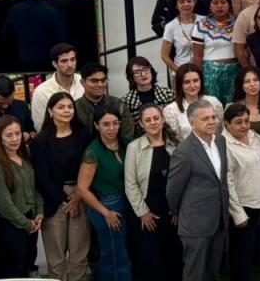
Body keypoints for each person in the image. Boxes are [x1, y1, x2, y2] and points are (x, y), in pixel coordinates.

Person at [166, 99, 230, 281]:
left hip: (219, 220)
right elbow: (172, 191)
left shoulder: (221, 141)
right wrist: (178, 212)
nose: (212, 121)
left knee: (213, 272)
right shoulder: (183, 152)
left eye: (214, 117)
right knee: (195, 274)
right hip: (195, 225)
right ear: (192, 123)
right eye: (205, 119)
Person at [30, 92, 90, 281]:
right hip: (53, 199)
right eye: (61, 107)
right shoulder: (40, 141)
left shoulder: (84, 135)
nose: (66, 110)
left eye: (70, 106)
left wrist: (78, 196)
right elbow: (42, 177)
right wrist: (65, 201)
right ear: (50, 111)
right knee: (56, 256)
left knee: (79, 252)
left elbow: (90, 167)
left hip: (81, 194)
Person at [124, 104, 182, 281]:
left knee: (174, 258)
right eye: (147, 120)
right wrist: (143, 213)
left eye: (156, 118)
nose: (153, 123)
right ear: (141, 124)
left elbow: (185, 181)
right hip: (146, 213)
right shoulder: (134, 147)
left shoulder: (176, 145)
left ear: (163, 120)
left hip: (172, 213)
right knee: (149, 260)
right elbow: (130, 184)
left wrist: (178, 209)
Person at [76, 104, 132, 281]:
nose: (112, 128)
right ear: (96, 125)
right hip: (107, 205)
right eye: (106, 124)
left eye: (115, 123)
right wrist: (106, 213)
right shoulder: (93, 151)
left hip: (127, 200)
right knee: (114, 255)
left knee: (124, 252)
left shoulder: (126, 143)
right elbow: (82, 189)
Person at [223, 102, 260, 281]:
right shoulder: (224, 145)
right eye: (238, 122)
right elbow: (227, 182)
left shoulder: (255, 137)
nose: (244, 126)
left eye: (246, 121)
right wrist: (238, 214)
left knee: (255, 253)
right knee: (241, 255)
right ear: (227, 124)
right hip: (243, 208)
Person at [0, 115, 43, 278]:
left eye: (17, 133)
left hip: (31, 221)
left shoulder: (26, 158)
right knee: (13, 271)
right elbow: (4, 203)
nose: (14, 139)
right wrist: (26, 223)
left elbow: (35, 188)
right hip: (12, 226)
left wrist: (39, 213)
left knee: (27, 266)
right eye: (9, 135)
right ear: (0, 138)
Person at [193, 0, 239, 105]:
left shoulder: (238, 23)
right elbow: (197, 56)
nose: (219, 6)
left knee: (233, 106)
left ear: (229, 5)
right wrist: (199, 78)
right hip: (210, 74)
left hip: (234, 72)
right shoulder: (201, 25)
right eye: (215, 3)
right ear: (209, 6)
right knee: (212, 106)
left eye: (223, 2)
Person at [163, 63, 224, 140]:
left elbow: (220, 129)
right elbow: (174, 140)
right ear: (180, 85)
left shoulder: (214, 102)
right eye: (187, 82)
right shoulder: (171, 110)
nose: (192, 85)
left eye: (195, 80)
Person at [32, 42, 84, 131]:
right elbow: (40, 125)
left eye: (72, 59)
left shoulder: (84, 82)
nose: (70, 65)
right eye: (64, 61)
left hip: (85, 136)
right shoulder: (42, 91)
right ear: (54, 64)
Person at [75, 63, 134, 140]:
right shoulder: (74, 108)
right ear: (82, 82)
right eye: (94, 81)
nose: (100, 85)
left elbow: (127, 134)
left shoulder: (118, 104)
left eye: (103, 80)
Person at [122, 57, 176, 136]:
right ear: (131, 76)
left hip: (168, 137)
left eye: (146, 69)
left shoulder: (168, 94)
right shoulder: (126, 102)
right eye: (137, 72)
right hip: (140, 141)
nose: (143, 74)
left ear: (151, 71)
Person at [161, 0, 205, 72]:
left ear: (195, 1)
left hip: (203, 71)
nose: (186, 4)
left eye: (189, 1)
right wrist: (179, 71)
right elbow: (164, 55)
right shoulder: (171, 26)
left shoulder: (204, 21)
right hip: (181, 71)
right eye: (181, 2)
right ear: (176, 5)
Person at [232, 66, 260, 139]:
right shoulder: (233, 107)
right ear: (241, 85)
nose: (252, 84)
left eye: (255, 80)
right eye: (247, 81)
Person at [0, 76, 35, 141]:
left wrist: (28, 136)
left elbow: (33, 132)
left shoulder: (22, 106)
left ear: (14, 93)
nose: (5, 106)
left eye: (9, 102)